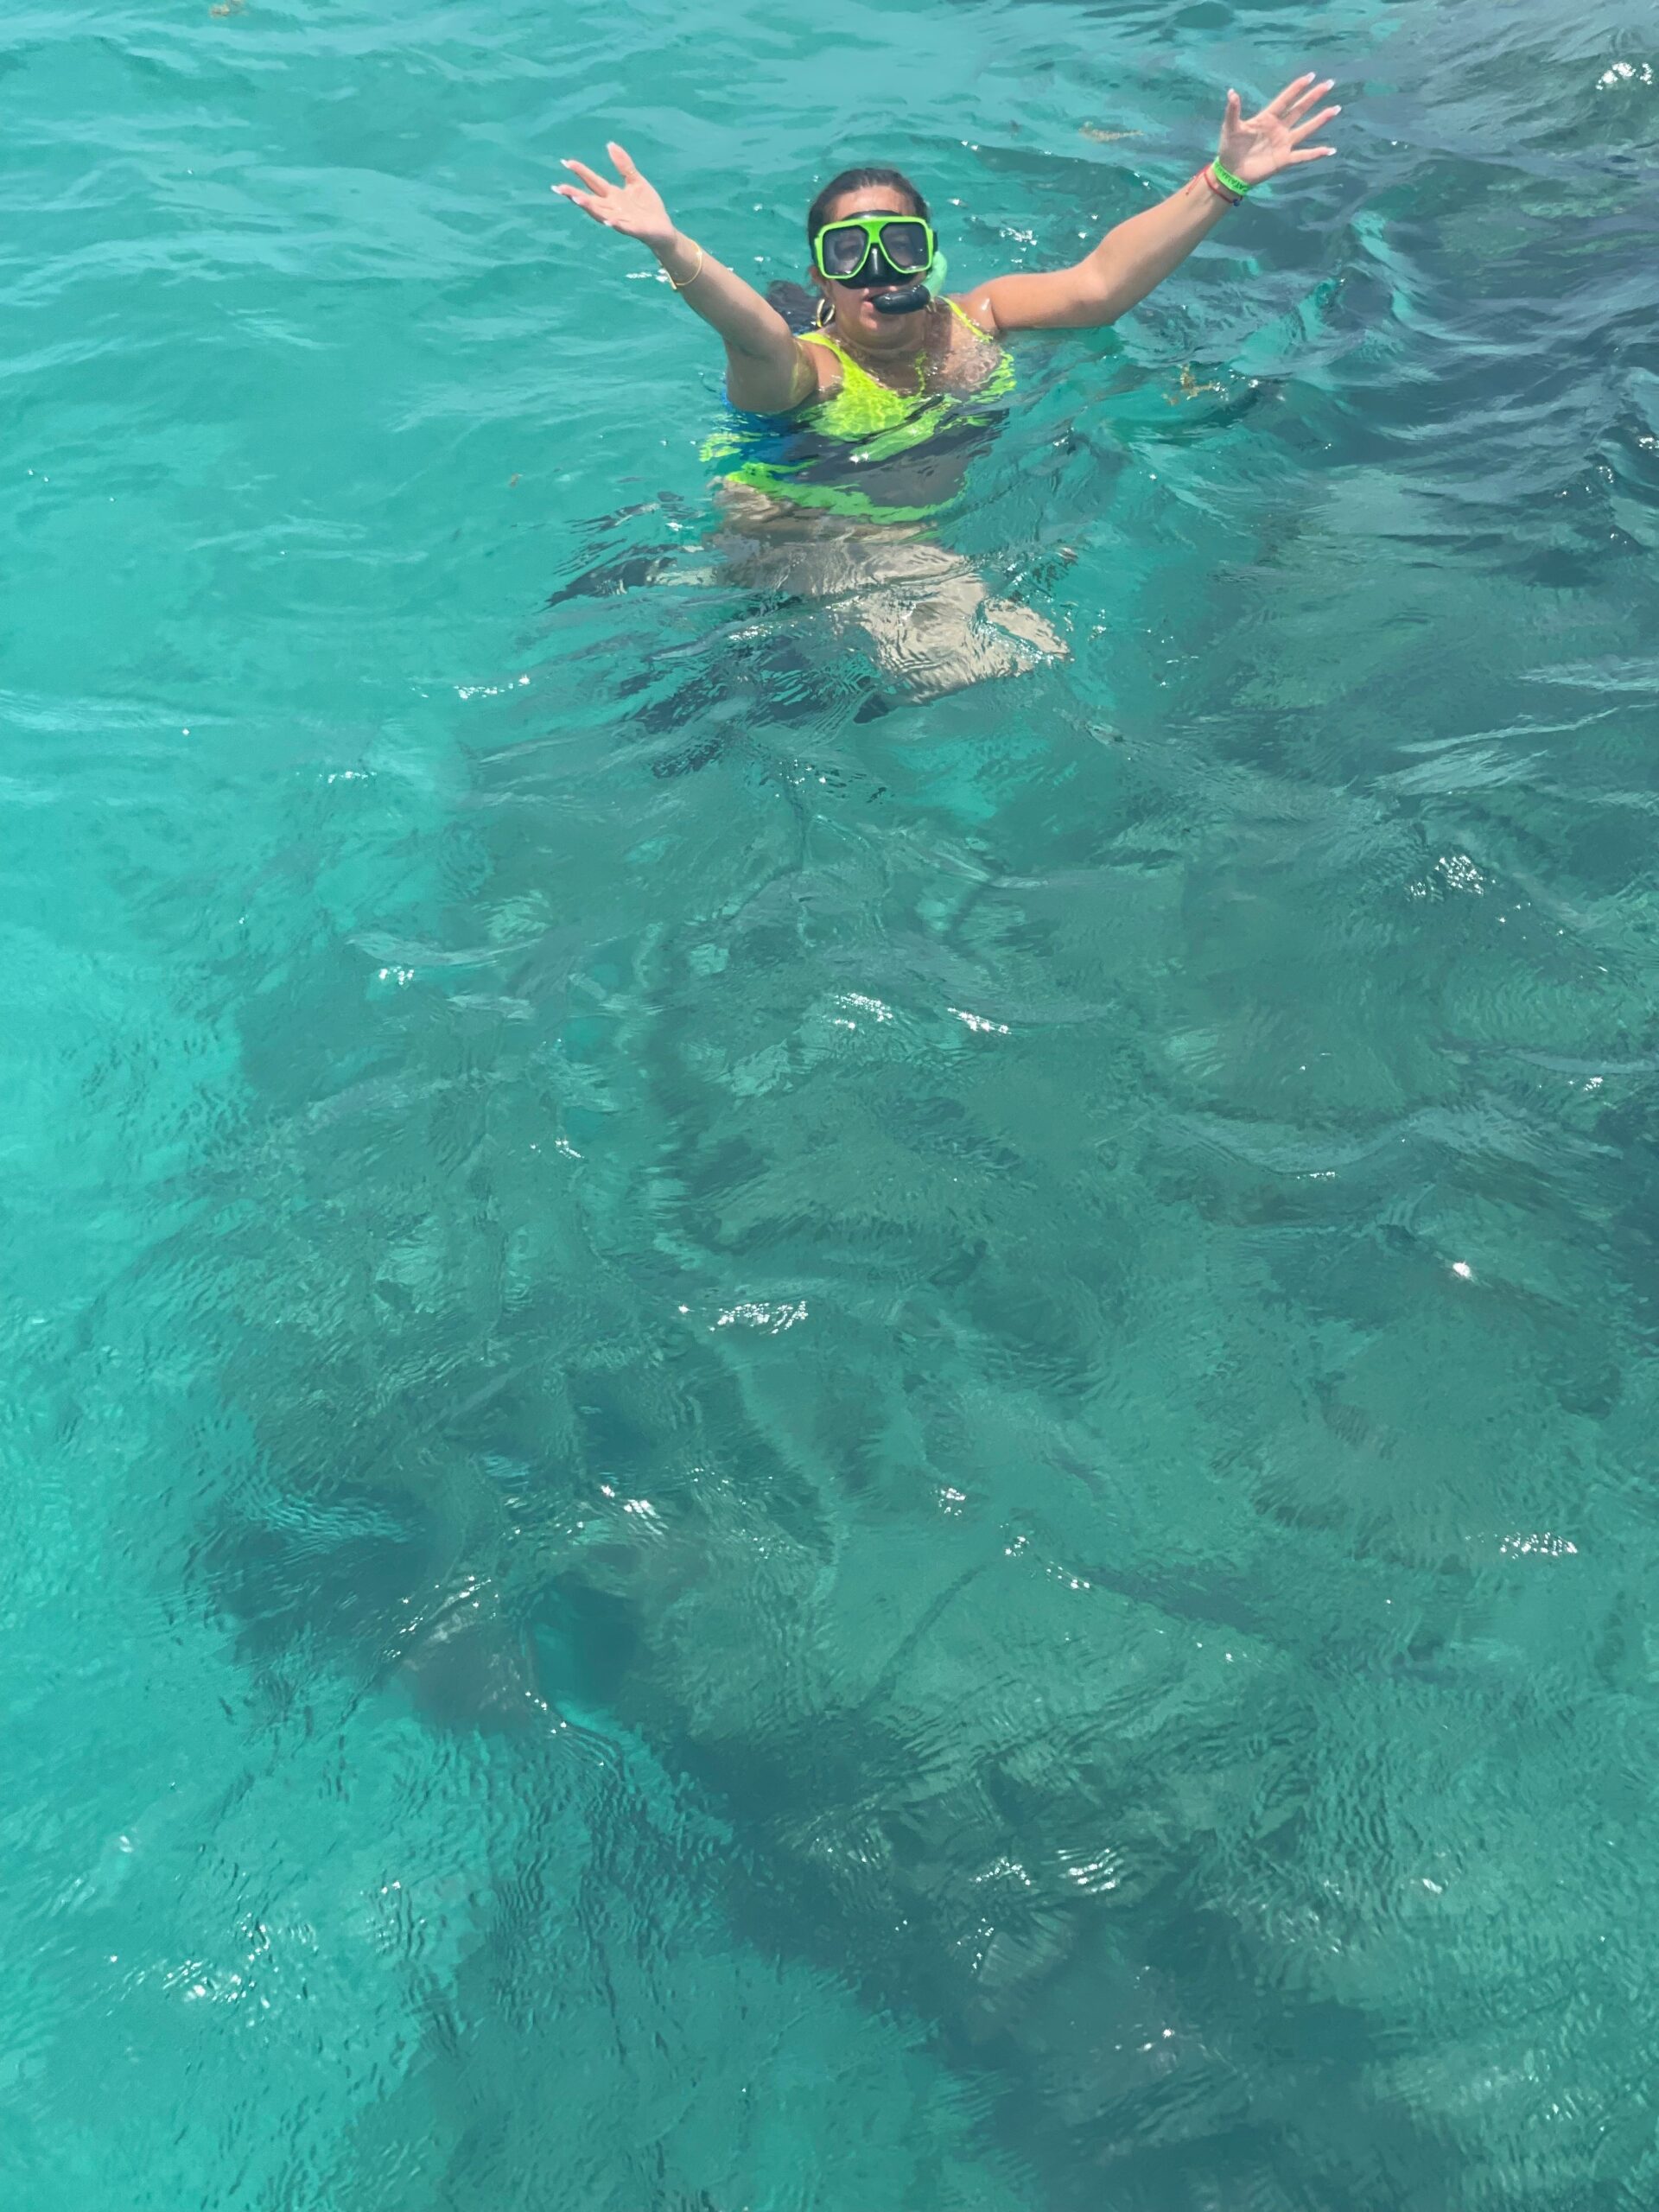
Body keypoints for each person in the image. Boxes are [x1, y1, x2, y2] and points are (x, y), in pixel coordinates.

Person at [558, 76, 1340, 702]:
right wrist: (670, 246)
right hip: (788, 533)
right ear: (821, 277)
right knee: (992, 652)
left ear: (927, 256)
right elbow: (751, 333)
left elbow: (1099, 286)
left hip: (906, 544)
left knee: (1007, 631)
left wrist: (1225, 179)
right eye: (849, 253)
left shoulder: (981, 320)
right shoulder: (808, 370)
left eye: (897, 244)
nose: (876, 272)